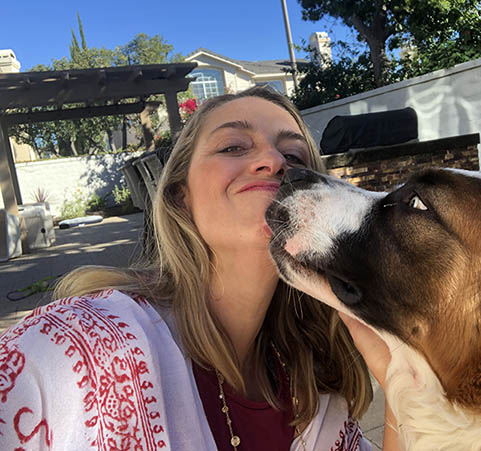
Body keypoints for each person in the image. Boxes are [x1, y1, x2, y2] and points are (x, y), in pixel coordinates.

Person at [0, 86, 399, 450]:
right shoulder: (76, 349)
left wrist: (403, 390)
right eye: (233, 147)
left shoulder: (316, 392)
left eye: (293, 156)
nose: (273, 161)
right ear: (180, 197)